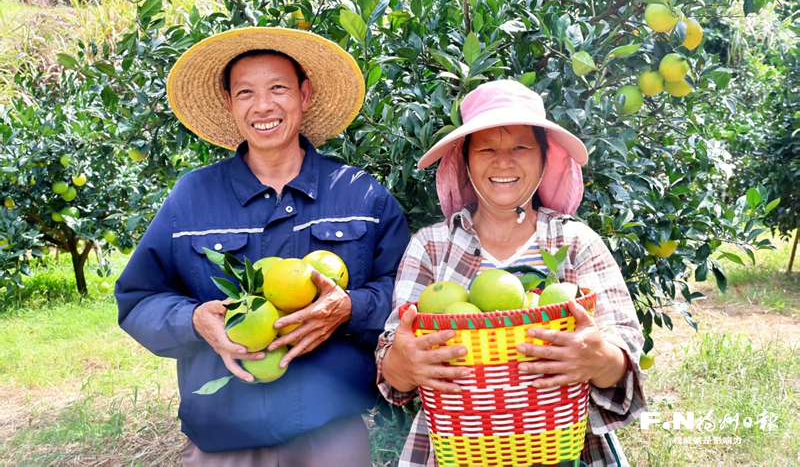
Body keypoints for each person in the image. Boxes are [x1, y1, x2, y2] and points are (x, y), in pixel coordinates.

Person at [115, 27, 411, 466]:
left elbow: (406, 295)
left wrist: (349, 307)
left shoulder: (361, 197)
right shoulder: (191, 199)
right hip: (224, 438)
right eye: (246, 92)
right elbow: (138, 299)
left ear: (305, 95)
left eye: (278, 88)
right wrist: (194, 320)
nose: (264, 105)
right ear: (229, 104)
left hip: (330, 432)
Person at [376, 80, 646, 467]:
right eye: (487, 148)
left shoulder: (575, 241)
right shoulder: (431, 246)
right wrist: (405, 363)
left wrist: (599, 358)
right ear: (466, 162)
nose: (503, 161)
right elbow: (394, 366)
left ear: (543, 159)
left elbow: (624, 349)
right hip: (455, 451)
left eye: (520, 146)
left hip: (563, 447)